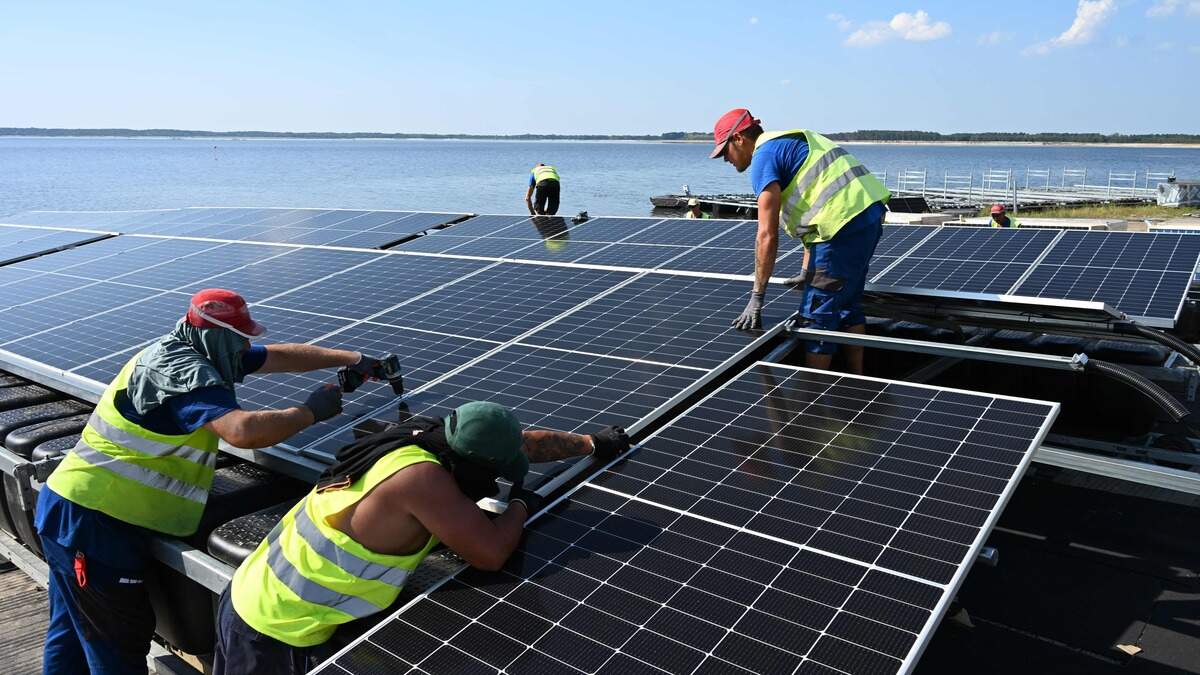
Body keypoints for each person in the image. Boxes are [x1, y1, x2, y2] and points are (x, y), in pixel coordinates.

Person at [36, 288, 385, 674]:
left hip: (76, 511)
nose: (247, 345)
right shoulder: (182, 372)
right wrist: (308, 412)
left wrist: (354, 359)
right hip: (93, 522)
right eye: (240, 337)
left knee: (71, 631)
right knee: (116, 645)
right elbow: (241, 431)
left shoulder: (202, 348)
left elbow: (279, 355)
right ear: (215, 333)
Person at [213, 402, 631, 674]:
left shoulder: (429, 436)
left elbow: (524, 443)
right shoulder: (421, 481)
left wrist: (591, 443)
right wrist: (521, 502)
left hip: (252, 589)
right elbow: (490, 553)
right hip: (274, 626)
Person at [711, 107, 890, 374]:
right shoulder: (791, 140)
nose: (725, 159)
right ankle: (858, 377)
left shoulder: (764, 158)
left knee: (817, 315)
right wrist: (807, 270)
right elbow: (814, 207)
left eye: (725, 151)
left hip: (840, 227)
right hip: (867, 216)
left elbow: (766, 234)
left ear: (739, 138)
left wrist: (757, 297)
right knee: (848, 303)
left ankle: (812, 397)